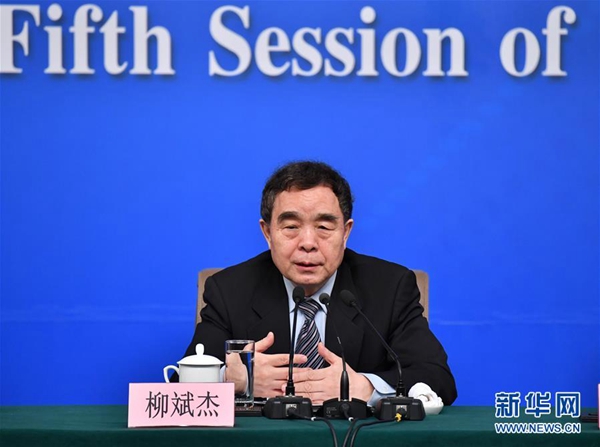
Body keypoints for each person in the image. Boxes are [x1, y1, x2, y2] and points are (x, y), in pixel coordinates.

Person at [178, 161, 457, 406]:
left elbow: (438, 378)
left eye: (324, 227)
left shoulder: (390, 287)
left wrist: (366, 387)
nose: (308, 243)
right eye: (291, 227)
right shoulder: (229, 290)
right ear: (267, 233)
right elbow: (182, 385)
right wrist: (236, 380)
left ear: (345, 232)